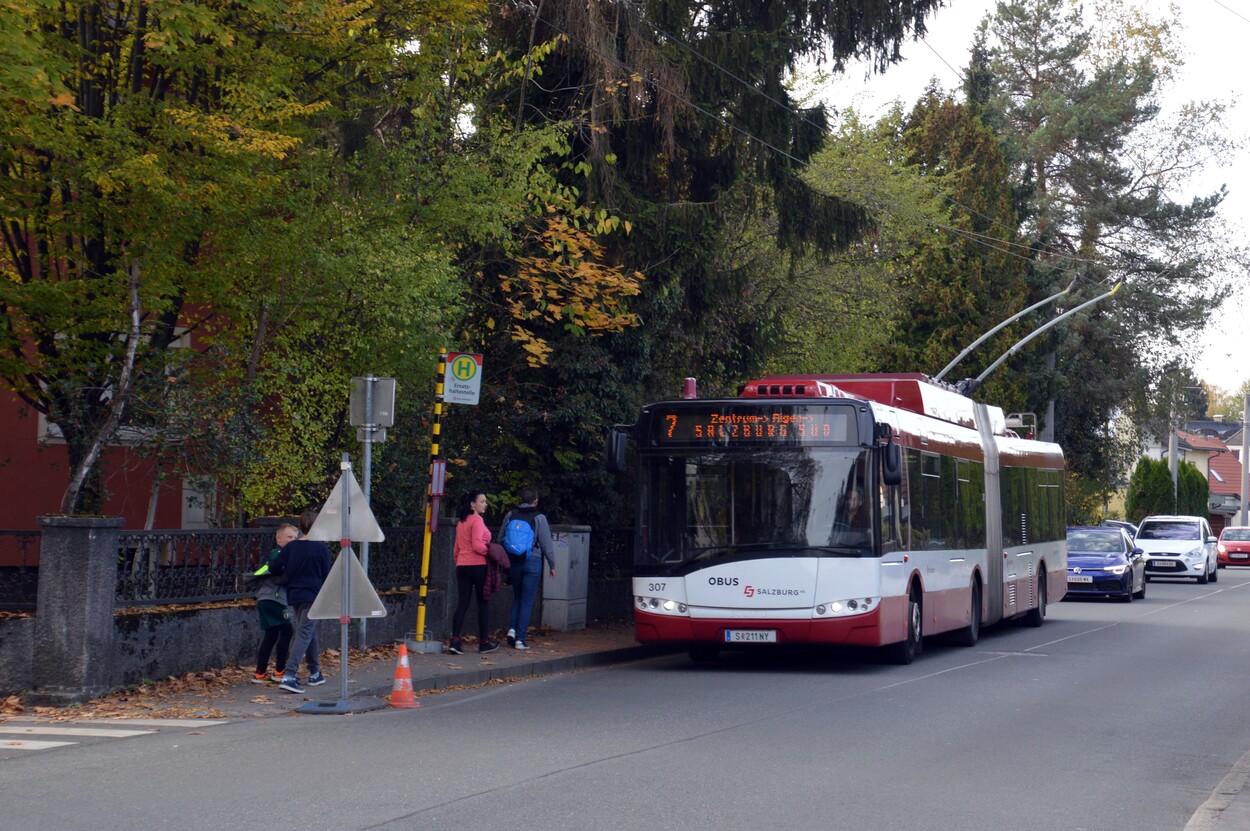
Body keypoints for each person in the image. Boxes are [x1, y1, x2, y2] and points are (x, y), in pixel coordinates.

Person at [276, 510, 332, 694]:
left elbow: (276, 566)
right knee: (304, 633)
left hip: (295, 596)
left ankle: (315, 672)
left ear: (300, 526)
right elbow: (326, 575)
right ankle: (289, 675)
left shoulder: (291, 548)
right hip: (313, 596)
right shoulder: (321, 548)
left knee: (309, 631)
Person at [500, 486, 556, 651]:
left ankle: (512, 629)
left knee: (517, 596)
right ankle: (520, 640)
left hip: (514, 562)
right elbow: (546, 544)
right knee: (526, 600)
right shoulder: (540, 518)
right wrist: (552, 565)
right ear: (535, 500)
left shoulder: (510, 515)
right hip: (532, 561)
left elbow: (501, 537)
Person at [450, 491, 500, 655]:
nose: (485, 504)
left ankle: (455, 641)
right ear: (473, 504)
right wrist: (492, 551)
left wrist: (460, 561)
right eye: (482, 501)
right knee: (482, 603)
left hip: (462, 566)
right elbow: (478, 546)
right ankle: (484, 642)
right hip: (478, 566)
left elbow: (456, 549)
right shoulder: (477, 520)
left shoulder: (461, 522)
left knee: (462, 604)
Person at [247, 523, 297, 683]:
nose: (293, 540)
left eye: (295, 538)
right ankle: (280, 671)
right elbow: (278, 572)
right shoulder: (280, 554)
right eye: (290, 537)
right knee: (287, 631)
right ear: (279, 539)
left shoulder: (276, 554)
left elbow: (262, 571)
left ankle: (260, 672)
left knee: (271, 634)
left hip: (265, 598)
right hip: (274, 598)